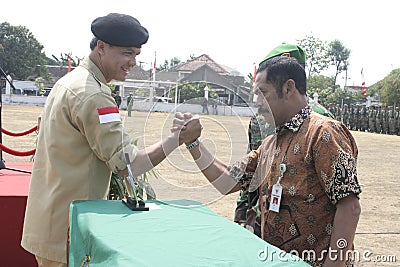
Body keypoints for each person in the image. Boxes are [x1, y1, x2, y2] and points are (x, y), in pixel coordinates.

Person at [21, 13, 200, 267]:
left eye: (136, 55)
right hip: (69, 232)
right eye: (127, 53)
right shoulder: (93, 95)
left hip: (53, 221)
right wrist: (177, 139)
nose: (133, 62)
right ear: (101, 47)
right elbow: (130, 166)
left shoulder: (71, 82)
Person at [178, 56, 361, 267]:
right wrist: (193, 143)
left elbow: (350, 207)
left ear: (288, 88)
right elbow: (227, 181)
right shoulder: (270, 144)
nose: (256, 102)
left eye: (262, 93)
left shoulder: (323, 133)